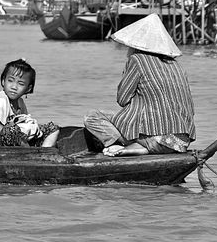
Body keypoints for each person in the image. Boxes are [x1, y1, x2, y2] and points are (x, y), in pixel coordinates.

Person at [84, 14, 195, 157]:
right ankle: (141, 148)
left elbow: (122, 100)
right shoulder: (176, 65)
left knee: (92, 116)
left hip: (156, 139)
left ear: (136, 46)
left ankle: (122, 146)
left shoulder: (137, 60)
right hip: (181, 142)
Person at [0, 59, 59, 147]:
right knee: (11, 130)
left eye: (20, 84)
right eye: (10, 81)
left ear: (28, 89)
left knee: (53, 128)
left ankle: (43, 153)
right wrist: (20, 139)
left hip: (16, 142)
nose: (14, 87)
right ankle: (30, 154)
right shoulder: (1, 100)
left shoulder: (20, 102)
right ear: (3, 81)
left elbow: (24, 124)